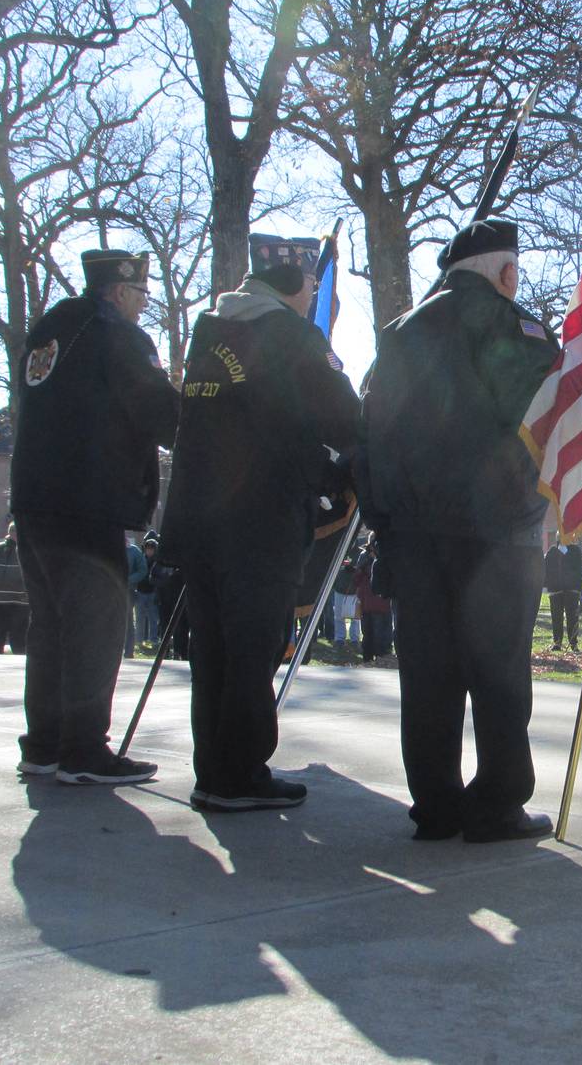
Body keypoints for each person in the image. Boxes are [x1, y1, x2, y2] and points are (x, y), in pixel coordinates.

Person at [358, 218, 560, 843]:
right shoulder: (515, 329)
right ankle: (498, 804)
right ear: (505, 272)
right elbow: (546, 417)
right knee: (498, 670)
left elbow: (369, 442)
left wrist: (385, 521)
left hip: (413, 535)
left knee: (428, 674)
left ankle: (437, 804)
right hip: (495, 534)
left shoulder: (399, 336)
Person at [161, 232, 359, 812]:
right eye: (311, 286)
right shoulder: (290, 335)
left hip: (200, 516)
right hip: (259, 516)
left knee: (214, 647)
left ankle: (214, 767)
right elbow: (341, 414)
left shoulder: (211, 332)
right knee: (254, 644)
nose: (311, 296)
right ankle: (240, 772)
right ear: (296, 284)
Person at [10, 248, 180, 786]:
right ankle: (84, 750)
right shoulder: (121, 338)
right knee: (95, 629)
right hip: (89, 501)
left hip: (35, 500)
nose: (143, 306)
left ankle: (43, 744)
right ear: (123, 291)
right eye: (142, 295)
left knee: (51, 629)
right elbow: (158, 412)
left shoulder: (51, 329)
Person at [0, 521, 30, 654]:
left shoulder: (28, 550)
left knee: (19, 635)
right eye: (13, 531)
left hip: (20, 601)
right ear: (9, 532)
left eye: (18, 532)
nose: (15, 534)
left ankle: (19, 658)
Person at [355, 534, 395, 662]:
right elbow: (357, 579)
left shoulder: (385, 555)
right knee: (371, 633)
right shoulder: (365, 557)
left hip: (380, 601)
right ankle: (373, 658)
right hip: (372, 601)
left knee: (377, 632)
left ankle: (379, 657)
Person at [543, 534, 582, 651]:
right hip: (556, 589)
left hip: (571, 588)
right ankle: (557, 642)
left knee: (572, 617)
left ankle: (573, 643)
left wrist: (579, 588)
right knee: (556, 617)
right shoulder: (552, 551)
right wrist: (547, 585)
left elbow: (578, 569)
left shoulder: (575, 550)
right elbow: (546, 568)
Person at [123, 537, 147, 658]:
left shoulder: (134, 551)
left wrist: (129, 580)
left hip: (128, 590)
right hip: (111, 588)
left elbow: (143, 570)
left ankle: (128, 651)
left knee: (127, 620)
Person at [135, 534, 161, 647]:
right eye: (147, 549)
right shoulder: (141, 560)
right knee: (140, 617)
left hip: (152, 592)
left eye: (151, 549)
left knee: (153, 617)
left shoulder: (158, 562)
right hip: (141, 591)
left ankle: (153, 640)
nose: (149, 551)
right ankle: (139, 640)